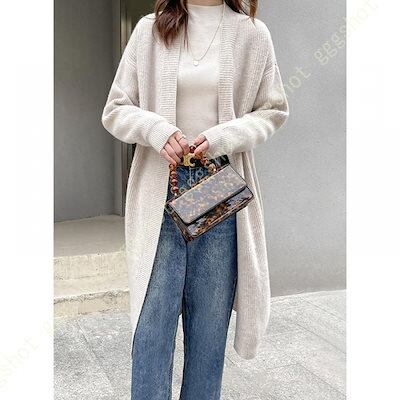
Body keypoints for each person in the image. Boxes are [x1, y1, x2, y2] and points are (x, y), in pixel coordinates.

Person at [101, 1, 289, 399]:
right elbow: (116, 109)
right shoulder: (150, 30)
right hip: (160, 190)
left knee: (208, 333)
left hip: (218, 188)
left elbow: (273, 110)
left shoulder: (253, 34)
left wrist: (224, 136)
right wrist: (155, 129)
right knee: (151, 329)